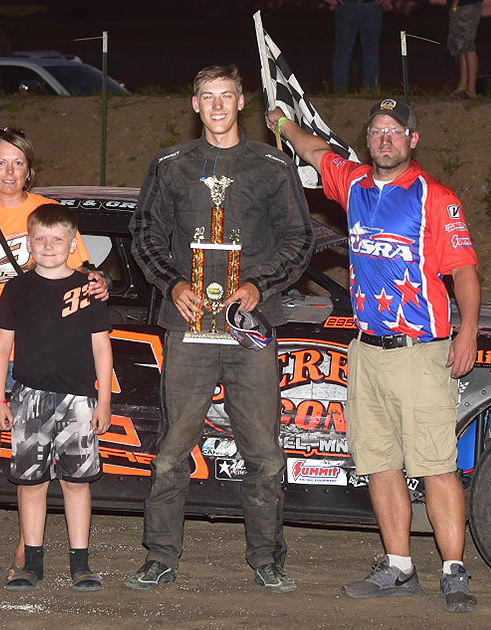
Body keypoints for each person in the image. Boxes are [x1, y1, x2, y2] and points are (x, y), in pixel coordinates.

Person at [266, 98, 480, 612]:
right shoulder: (355, 183)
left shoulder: (435, 196)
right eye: (377, 130)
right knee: (380, 463)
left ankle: (454, 571)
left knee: (435, 465)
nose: (386, 139)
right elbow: (317, 152)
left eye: (396, 131)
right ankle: (399, 566)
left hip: (421, 351)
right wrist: (282, 123)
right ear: (368, 139)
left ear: (413, 139)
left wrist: (468, 329)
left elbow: (465, 272)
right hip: (365, 349)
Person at [125, 64, 314, 594]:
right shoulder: (169, 165)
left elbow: (300, 240)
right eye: (206, 97)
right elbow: (143, 234)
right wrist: (172, 284)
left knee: (263, 451)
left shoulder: (273, 166)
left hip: (250, 327)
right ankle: (160, 556)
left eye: (226, 96)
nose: (216, 106)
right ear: (194, 104)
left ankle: (266, 559)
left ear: (241, 102)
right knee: (171, 450)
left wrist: (260, 285)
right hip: (187, 326)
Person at [0, 127, 108, 582]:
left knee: (36, 453)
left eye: (17, 162)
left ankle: (23, 551)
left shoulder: (47, 215)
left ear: (29, 168)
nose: (8, 171)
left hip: (39, 353)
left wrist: (100, 282)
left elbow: (84, 272)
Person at [0, 203, 113, 592]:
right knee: (32, 484)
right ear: (28, 243)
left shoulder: (89, 289)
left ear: (72, 243)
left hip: (78, 400)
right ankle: (33, 564)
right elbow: (1, 348)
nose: (48, 246)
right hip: (28, 399)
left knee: (77, 483)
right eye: (40, 239)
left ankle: (81, 564)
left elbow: (102, 349)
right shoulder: (17, 288)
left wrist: (104, 401)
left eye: (57, 239)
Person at [328, 0, 384, 93]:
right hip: (367, 6)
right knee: (370, 50)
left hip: (351, 6)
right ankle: (371, 88)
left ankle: (340, 89)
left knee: (343, 50)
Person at [449, 0, 483, 99]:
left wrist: (455, 4)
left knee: (468, 45)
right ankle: (462, 86)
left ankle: (471, 89)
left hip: (467, 5)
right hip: (461, 5)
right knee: (461, 46)